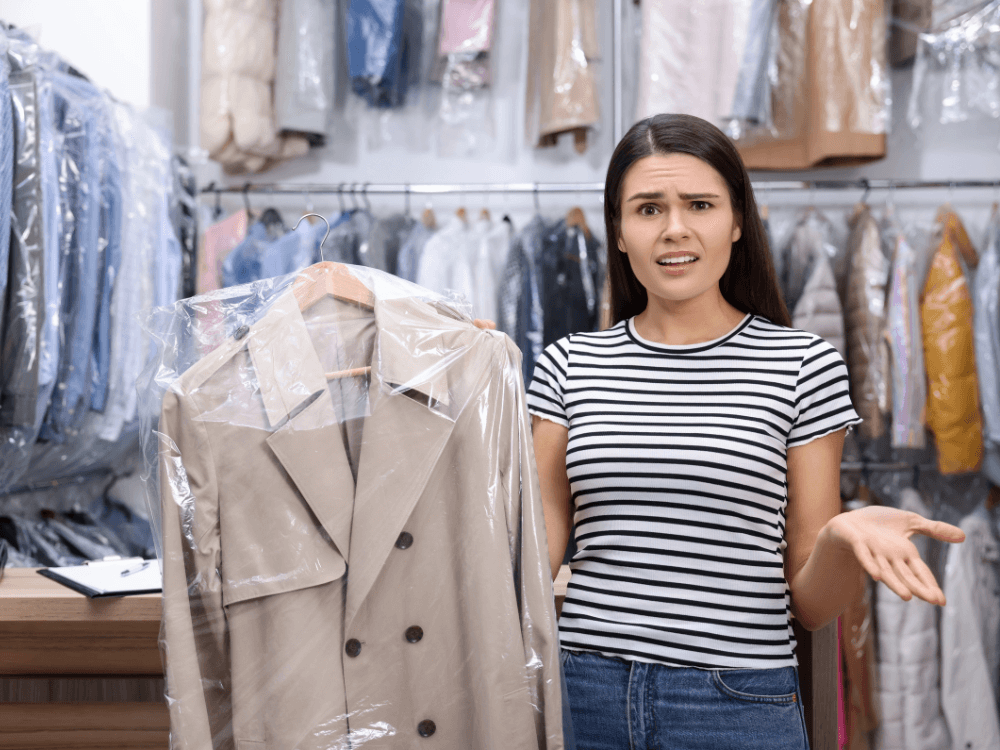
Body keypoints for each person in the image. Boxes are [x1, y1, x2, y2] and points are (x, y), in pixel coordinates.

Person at [519, 114, 966, 750]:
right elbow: (534, 556)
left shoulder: (803, 365)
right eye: (648, 209)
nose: (674, 228)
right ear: (618, 231)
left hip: (736, 701)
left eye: (699, 204)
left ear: (736, 221)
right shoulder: (570, 363)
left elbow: (811, 605)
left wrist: (841, 538)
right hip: (587, 691)